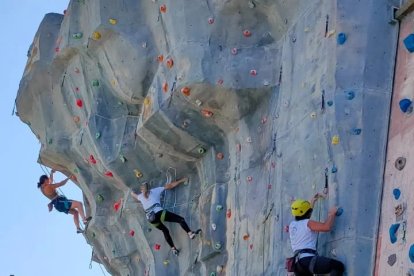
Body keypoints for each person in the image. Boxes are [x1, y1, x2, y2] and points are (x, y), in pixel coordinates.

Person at [131, 177, 199, 256]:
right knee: (180, 219)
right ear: (149, 188)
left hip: (151, 219)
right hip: (159, 213)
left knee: (165, 231)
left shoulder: (140, 196)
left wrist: (131, 191)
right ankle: (190, 233)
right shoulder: (155, 190)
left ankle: (173, 249)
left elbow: (133, 194)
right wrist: (182, 180)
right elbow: (170, 186)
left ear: (142, 190)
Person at [289, 193, 345, 276]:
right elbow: (326, 227)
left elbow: (304, 214)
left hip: (298, 266)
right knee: (337, 266)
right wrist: (332, 214)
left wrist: (312, 202)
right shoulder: (308, 223)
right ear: (308, 213)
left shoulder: (292, 225)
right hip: (308, 261)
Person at [37, 169, 91, 234]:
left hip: (58, 205)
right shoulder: (48, 187)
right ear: (45, 180)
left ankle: (78, 228)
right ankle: (84, 220)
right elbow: (61, 184)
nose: (49, 180)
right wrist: (69, 177)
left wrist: (51, 173)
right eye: (47, 179)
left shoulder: (42, 188)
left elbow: (50, 181)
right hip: (60, 202)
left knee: (75, 212)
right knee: (79, 204)